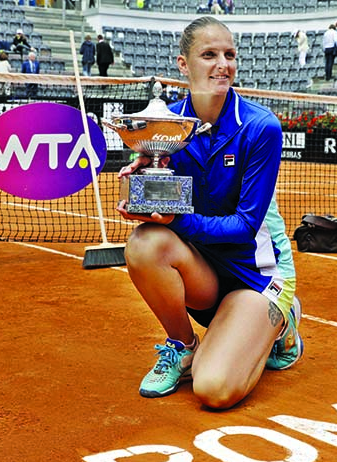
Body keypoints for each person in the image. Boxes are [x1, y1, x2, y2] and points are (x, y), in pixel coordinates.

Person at [114, 16, 303, 409]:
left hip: (254, 275)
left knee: (213, 389)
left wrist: (176, 220)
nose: (223, 65)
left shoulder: (260, 127)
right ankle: (183, 346)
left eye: (229, 55)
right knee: (145, 244)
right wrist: (146, 180)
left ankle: (282, 325)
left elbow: (246, 227)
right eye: (209, 55)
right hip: (204, 270)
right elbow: (166, 200)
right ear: (184, 64)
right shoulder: (166, 127)